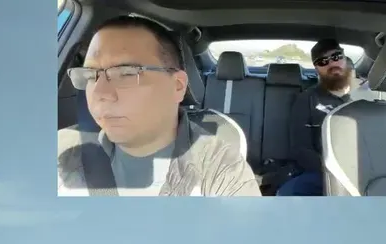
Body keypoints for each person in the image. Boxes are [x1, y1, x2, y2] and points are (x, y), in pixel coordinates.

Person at [57, 16, 260, 197]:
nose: (100, 94)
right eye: (91, 75)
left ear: (177, 86)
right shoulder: (61, 149)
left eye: (126, 73)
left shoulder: (219, 168)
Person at [278, 40, 355, 196]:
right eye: (322, 61)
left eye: (336, 56)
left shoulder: (370, 94)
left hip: (365, 171)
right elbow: (300, 149)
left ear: (345, 58)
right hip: (322, 172)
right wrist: (333, 171)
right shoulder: (306, 99)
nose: (332, 64)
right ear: (316, 68)